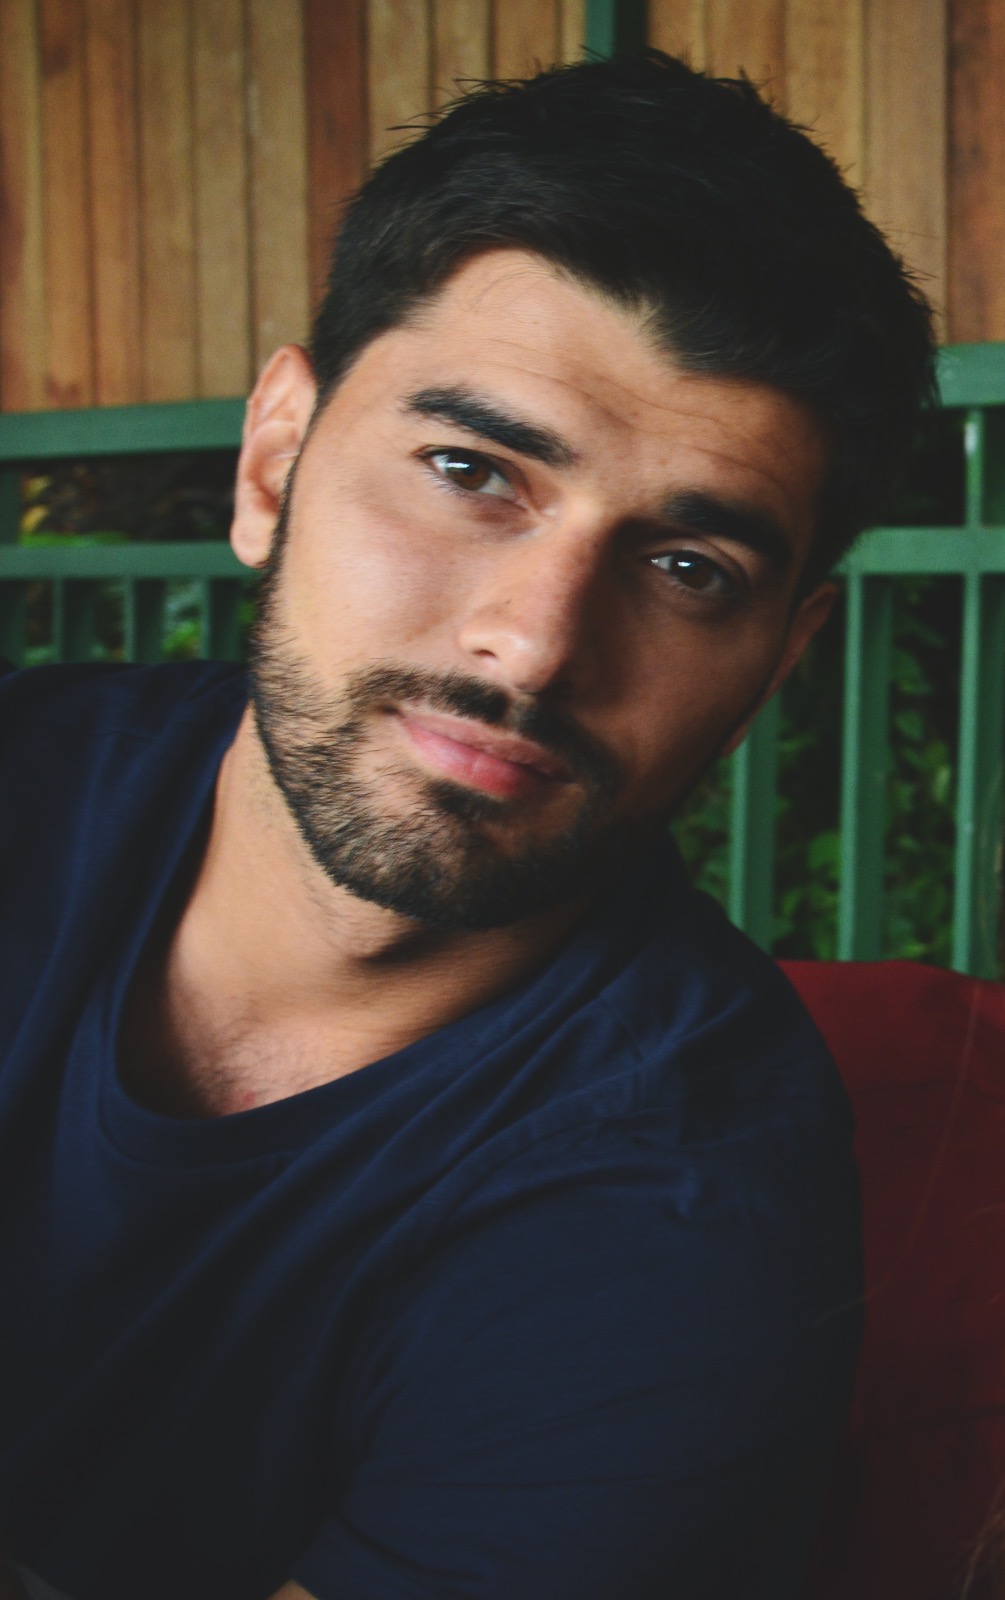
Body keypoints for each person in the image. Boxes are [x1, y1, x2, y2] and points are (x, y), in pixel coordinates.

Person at [0, 50, 934, 1600]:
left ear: (780, 659)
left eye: (687, 568)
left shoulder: (684, 1203)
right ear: (274, 461)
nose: (533, 645)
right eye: (469, 472)